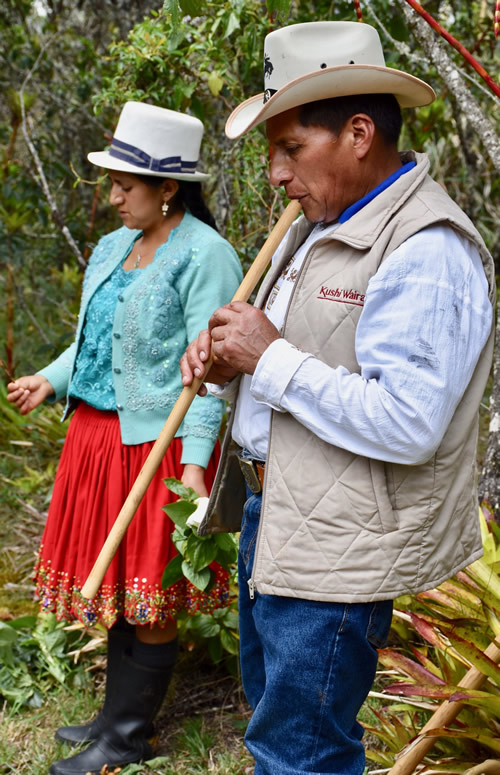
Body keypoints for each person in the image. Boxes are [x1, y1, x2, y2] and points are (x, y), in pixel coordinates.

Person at [180, 21, 496, 775]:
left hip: (340, 545)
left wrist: (271, 354)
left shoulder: (425, 251)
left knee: (302, 753)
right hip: (279, 517)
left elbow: (408, 421)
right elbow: (309, 360)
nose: (275, 174)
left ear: (358, 132)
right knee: (278, 730)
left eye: (290, 148)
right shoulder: (325, 222)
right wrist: (234, 365)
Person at [7, 101, 242, 775]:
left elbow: (213, 374)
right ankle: (114, 716)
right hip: (95, 439)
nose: (111, 197)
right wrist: (52, 379)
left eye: (124, 185)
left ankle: (128, 737)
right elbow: (94, 338)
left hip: (156, 444)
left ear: (169, 187)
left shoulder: (206, 255)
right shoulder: (113, 247)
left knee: (148, 589)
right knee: (115, 583)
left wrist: (195, 464)